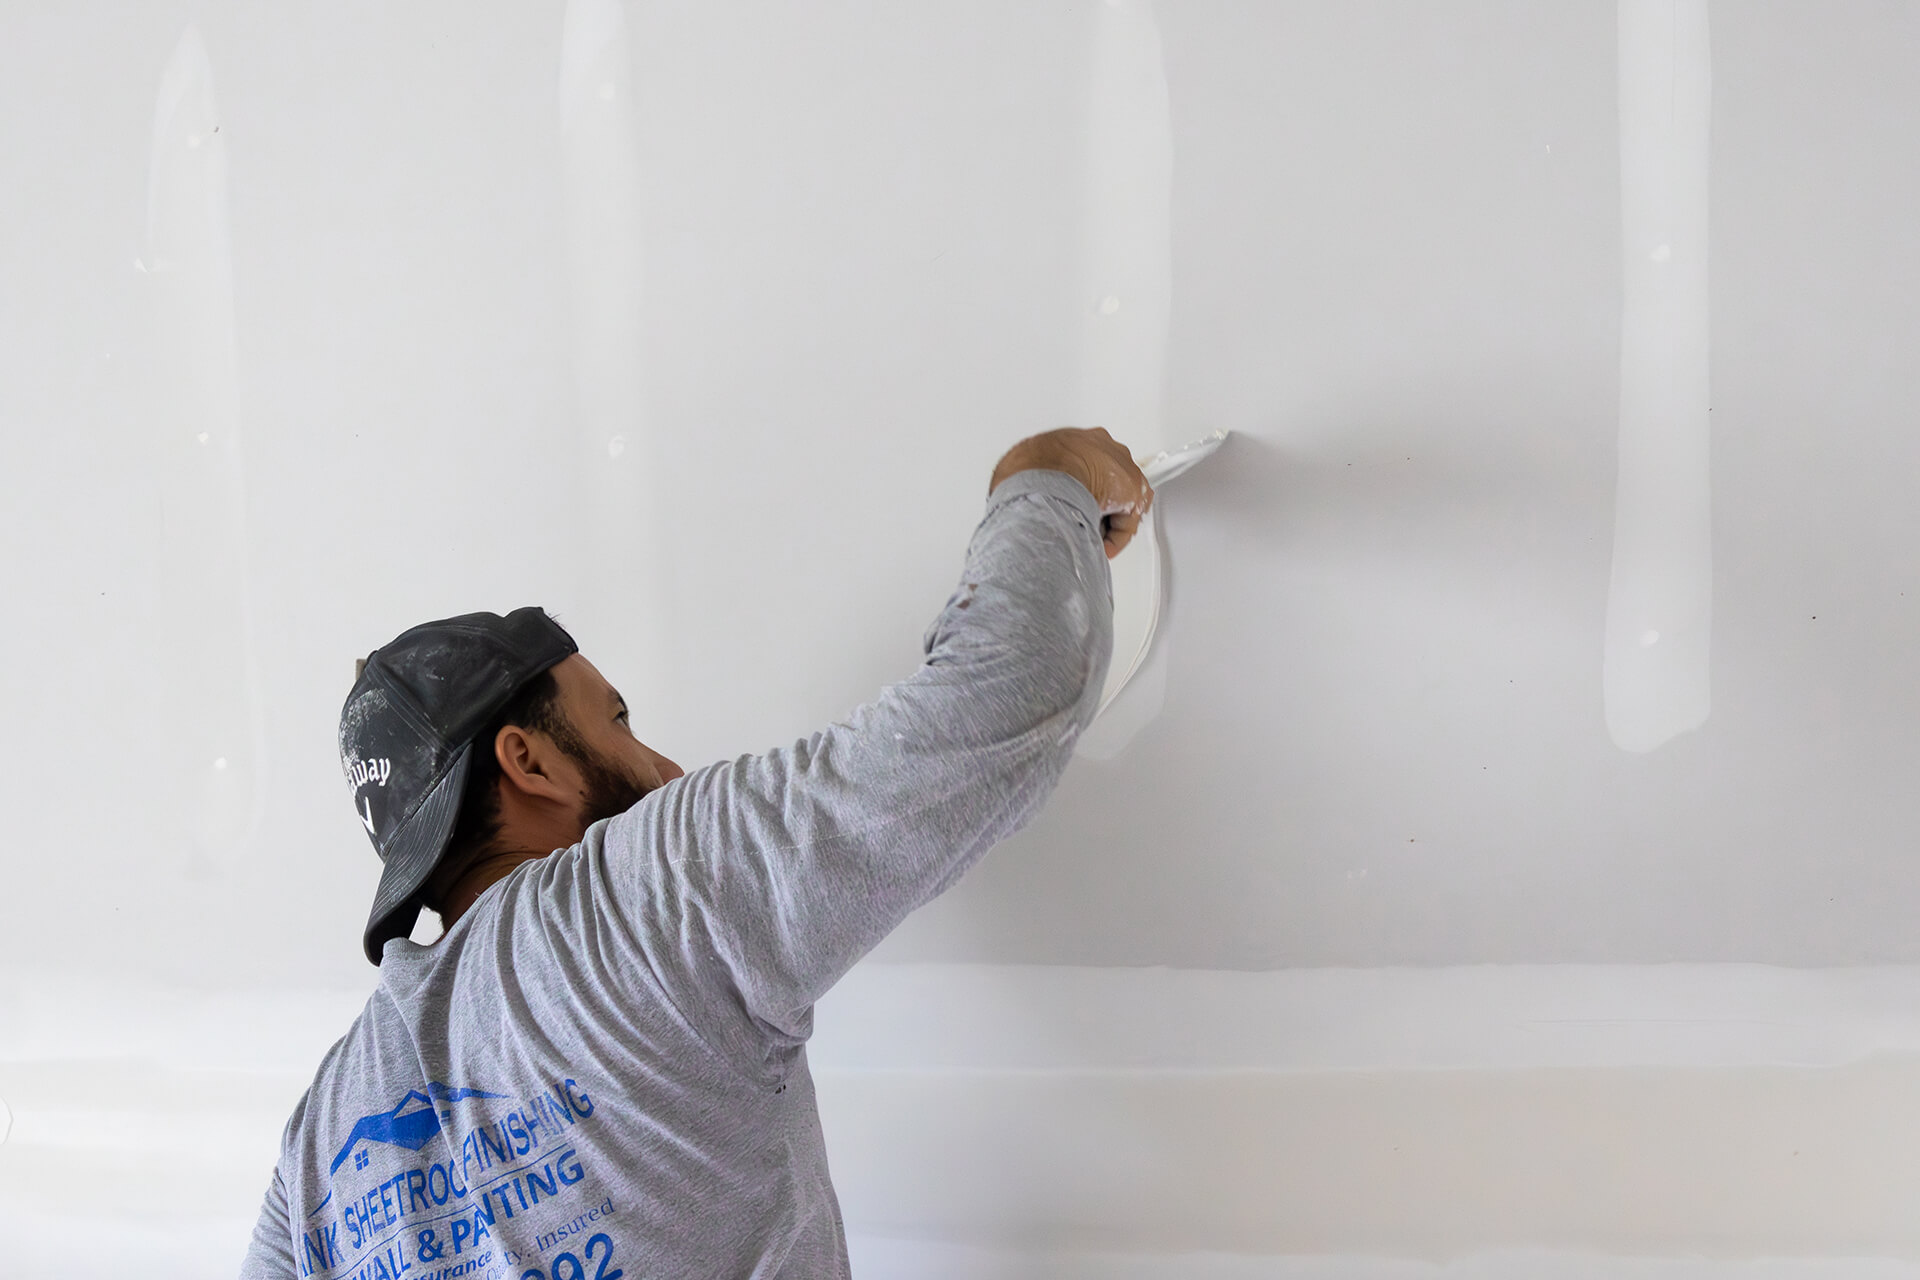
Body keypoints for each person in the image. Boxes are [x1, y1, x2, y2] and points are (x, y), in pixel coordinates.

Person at [237, 426, 1153, 1279]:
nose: (665, 765)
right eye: (619, 721)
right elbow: (1009, 693)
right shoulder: (639, 899)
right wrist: (1048, 479)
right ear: (530, 761)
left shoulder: (315, 1151)